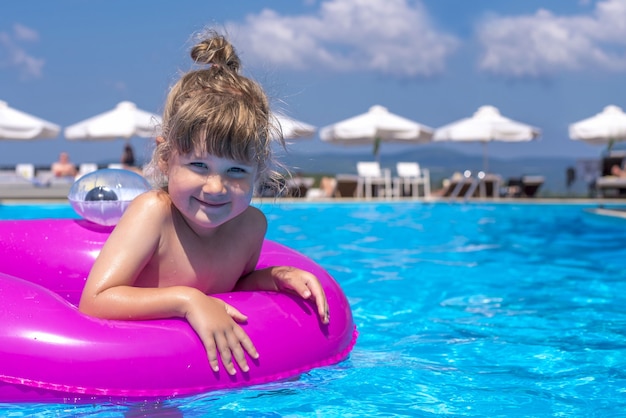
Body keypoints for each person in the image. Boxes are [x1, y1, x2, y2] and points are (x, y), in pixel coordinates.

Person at [78, 30, 329, 376]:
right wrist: (187, 301)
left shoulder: (250, 225)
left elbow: (231, 289)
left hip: (200, 377)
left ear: (259, 171)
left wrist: (273, 278)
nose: (215, 187)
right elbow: (96, 301)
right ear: (166, 157)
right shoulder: (155, 214)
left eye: (236, 170)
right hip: (138, 369)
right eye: (199, 165)